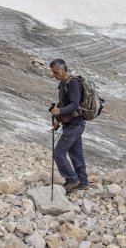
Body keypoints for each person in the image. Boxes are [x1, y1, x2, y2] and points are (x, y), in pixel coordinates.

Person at [49, 59, 88, 192]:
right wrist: (58, 121)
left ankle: (72, 179)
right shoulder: (63, 83)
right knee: (76, 155)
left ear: (64, 70)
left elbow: (74, 104)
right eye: (53, 72)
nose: (54, 75)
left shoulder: (73, 83)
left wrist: (59, 111)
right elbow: (64, 103)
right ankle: (83, 182)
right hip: (72, 124)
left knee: (58, 154)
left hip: (75, 125)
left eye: (56, 72)